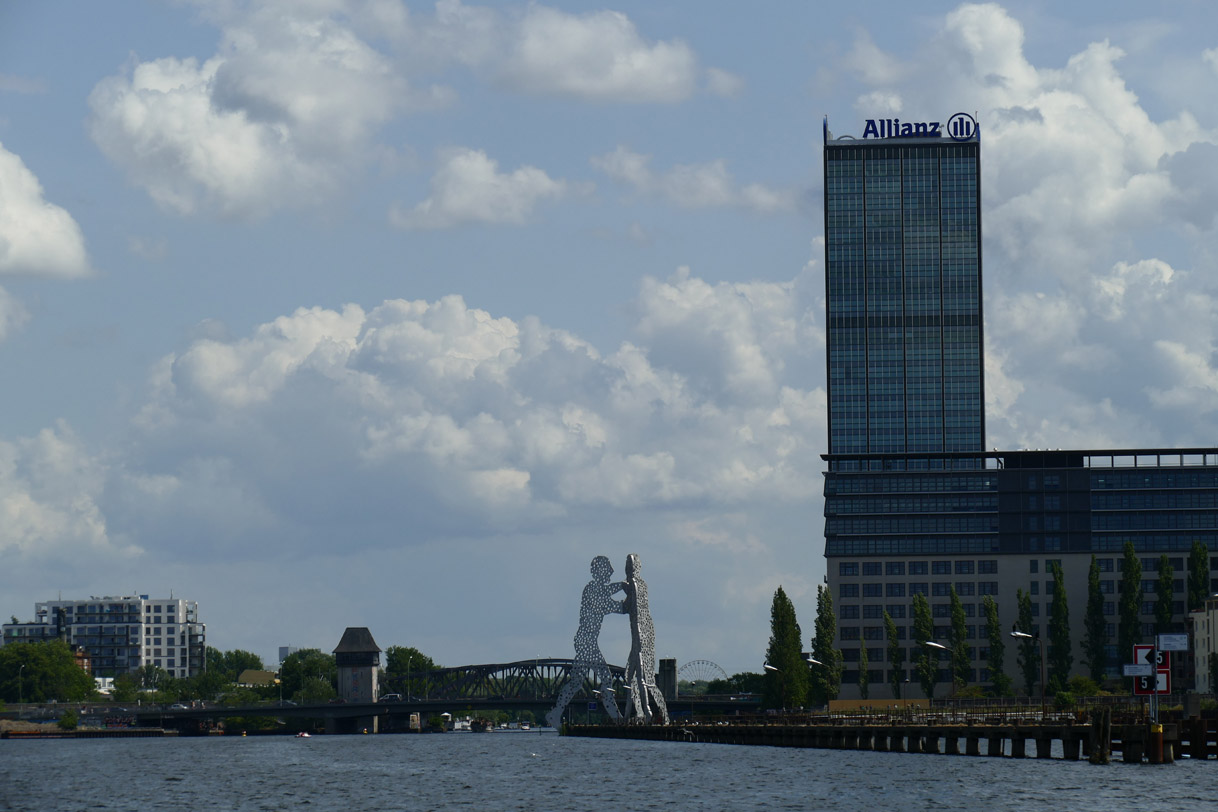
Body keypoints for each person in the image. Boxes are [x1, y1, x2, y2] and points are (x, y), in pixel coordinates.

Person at [545, 556, 627, 729]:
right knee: (606, 679)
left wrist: (622, 586)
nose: (611, 572)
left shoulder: (596, 588)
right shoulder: (591, 590)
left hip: (586, 640)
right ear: (599, 571)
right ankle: (618, 720)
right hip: (587, 641)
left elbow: (607, 591)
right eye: (608, 569)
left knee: (577, 681)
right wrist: (626, 604)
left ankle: (555, 713)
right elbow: (606, 604)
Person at [622, 553, 670, 724]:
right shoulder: (638, 585)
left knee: (644, 681)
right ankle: (631, 715)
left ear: (636, 568)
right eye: (627, 565)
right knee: (630, 677)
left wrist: (624, 588)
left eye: (630, 566)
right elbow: (625, 607)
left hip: (642, 636)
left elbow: (635, 604)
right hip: (639, 638)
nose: (627, 569)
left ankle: (650, 713)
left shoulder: (637, 585)